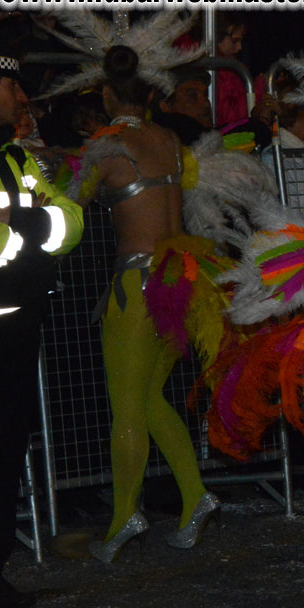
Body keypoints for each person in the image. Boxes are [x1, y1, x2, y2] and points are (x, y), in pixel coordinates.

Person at [79, 45, 221, 563]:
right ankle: (195, 495)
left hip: (136, 287)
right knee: (152, 397)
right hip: (180, 279)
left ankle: (123, 519)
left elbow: (75, 200)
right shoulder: (166, 138)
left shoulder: (108, 145)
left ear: (105, 92)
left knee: (126, 408)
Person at [0, 22, 83, 608]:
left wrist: (27, 230)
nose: (21, 95)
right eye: (8, 84)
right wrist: (32, 234)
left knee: (2, 451)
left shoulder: (18, 158)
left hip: (16, 330)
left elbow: (72, 221)